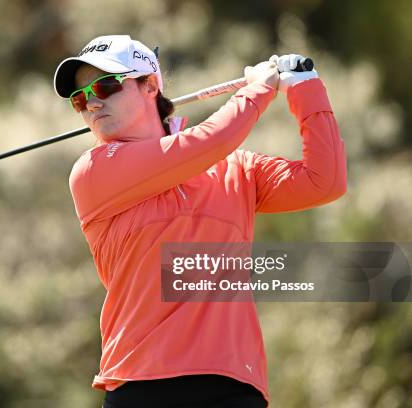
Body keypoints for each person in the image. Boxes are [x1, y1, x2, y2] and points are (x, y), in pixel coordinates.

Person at [53, 35, 346, 407]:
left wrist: (306, 89)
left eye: (106, 85)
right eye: (79, 98)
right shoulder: (93, 171)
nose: (92, 102)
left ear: (150, 85)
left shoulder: (236, 168)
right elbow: (206, 143)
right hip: (141, 385)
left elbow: (326, 181)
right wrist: (257, 91)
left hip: (233, 384)